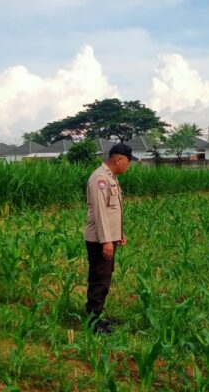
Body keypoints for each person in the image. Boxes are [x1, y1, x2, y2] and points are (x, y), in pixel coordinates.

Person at [83, 142, 137, 334]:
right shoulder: (100, 179)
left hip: (107, 238)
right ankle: (92, 321)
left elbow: (113, 211)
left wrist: (118, 235)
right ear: (118, 159)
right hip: (99, 240)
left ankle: (98, 315)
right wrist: (107, 240)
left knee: (104, 278)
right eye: (128, 162)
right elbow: (100, 213)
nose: (128, 166)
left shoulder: (110, 178)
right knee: (99, 278)